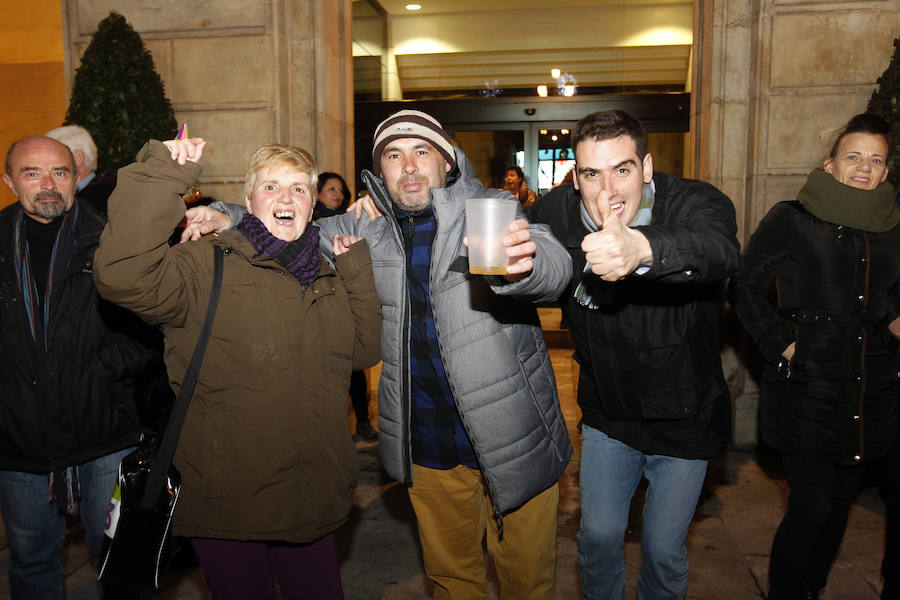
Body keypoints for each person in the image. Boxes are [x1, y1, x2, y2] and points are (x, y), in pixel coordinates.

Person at [187, 108, 574, 600]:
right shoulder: (362, 226)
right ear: (380, 170)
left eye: (421, 152)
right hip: (427, 441)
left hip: (513, 435)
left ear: (447, 161)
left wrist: (528, 266)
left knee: (529, 581)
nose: (408, 166)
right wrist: (232, 213)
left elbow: (551, 261)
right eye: (394, 155)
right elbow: (288, 224)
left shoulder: (491, 206)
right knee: (453, 581)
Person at [93, 136, 382, 599]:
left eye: (298, 188)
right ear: (249, 202)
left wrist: (356, 272)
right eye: (271, 187)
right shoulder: (206, 262)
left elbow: (363, 351)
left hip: (312, 494)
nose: (286, 198)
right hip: (229, 503)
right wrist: (163, 175)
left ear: (312, 205)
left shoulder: (327, 273)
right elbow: (122, 275)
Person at [529, 108, 740, 600]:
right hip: (609, 413)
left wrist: (641, 249)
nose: (609, 190)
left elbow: (718, 250)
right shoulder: (555, 211)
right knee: (599, 536)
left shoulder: (695, 202)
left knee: (664, 550)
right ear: (574, 175)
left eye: (622, 169)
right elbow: (513, 240)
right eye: (591, 173)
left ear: (646, 168)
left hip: (684, 416)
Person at [728, 113, 900, 600]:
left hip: (873, 389)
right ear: (831, 164)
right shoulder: (794, 218)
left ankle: (811, 589)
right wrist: (780, 341)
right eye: (853, 157)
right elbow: (742, 286)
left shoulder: (894, 223)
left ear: (886, 172)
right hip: (808, 387)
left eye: (875, 160)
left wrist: (891, 318)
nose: (864, 168)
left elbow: (889, 297)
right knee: (811, 508)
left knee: (840, 505)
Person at [0, 136, 164, 599]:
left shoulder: (109, 241)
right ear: (10, 181)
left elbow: (150, 326)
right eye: (33, 173)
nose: (48, 184)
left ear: (77, 178)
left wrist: (102, 368)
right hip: (19, 440)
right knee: (31, 562)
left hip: (104, 434)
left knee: (117, 558)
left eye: (61, 172)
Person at [316, 171, 377, 441]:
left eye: (340, 189)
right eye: (331, 189)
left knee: (356, 370)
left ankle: (362, 420)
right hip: (326, 313)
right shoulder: (308, 226)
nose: (338, 194)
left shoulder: (350, 221)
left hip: (350, 303)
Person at [45, 125, 115, 216]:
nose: (43, 164)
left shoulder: (101, 202)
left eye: (51, 157)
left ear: (77, 158)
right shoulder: (113, 189)